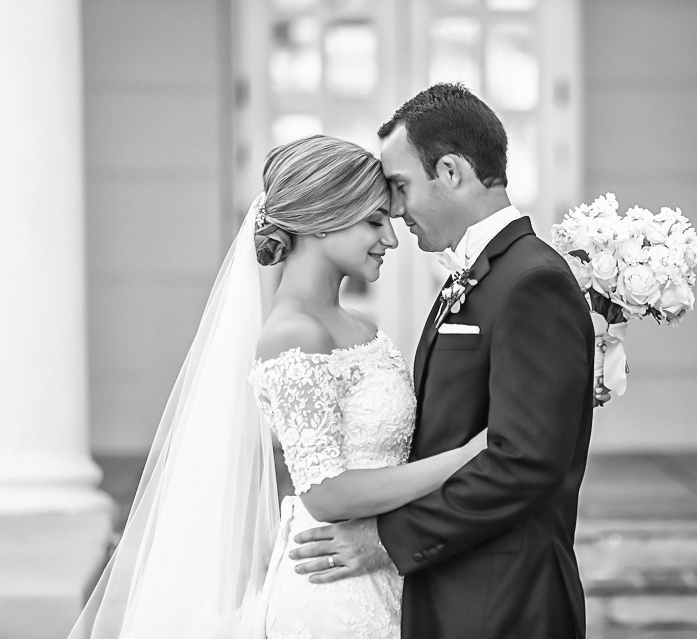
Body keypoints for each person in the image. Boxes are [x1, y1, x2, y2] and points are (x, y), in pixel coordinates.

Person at [67, 135, 485, 639]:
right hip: (333, 591)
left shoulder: (360, 327)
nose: (391, 240)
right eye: (374, 222)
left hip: (382, 570)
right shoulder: (295, 333)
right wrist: (468, 457)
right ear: (319, 220)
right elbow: (327, 494)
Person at [291, 83, 596, 639]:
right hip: (454, 592)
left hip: (503, 602)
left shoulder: (532, 282)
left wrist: (385, 539)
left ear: (451, 172)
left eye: (402, 187)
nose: (397, 211)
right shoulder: (477, 276)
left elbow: (523, 462)